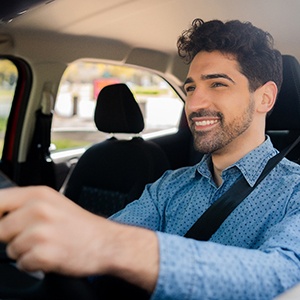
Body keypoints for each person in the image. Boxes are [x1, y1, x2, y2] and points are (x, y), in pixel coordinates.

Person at [0, 18, 300, 300]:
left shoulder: (295, 192)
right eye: (191, 87)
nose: (194, 103)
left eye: (217, 84)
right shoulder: (168, 187)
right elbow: (99, 241)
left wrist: (111, 245)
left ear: (265, 98)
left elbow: (284, 276)